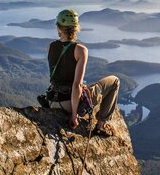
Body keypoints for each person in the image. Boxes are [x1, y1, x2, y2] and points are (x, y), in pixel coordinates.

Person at [47, 8, 120, 136]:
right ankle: (101, 125)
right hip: (69, 104)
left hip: (52, 101)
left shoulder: (50, 46)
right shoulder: (80, 50)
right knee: (115, 81)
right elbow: (76, 85)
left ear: (59, 28)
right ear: (76, 28)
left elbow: (60, 74)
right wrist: (74, 116)